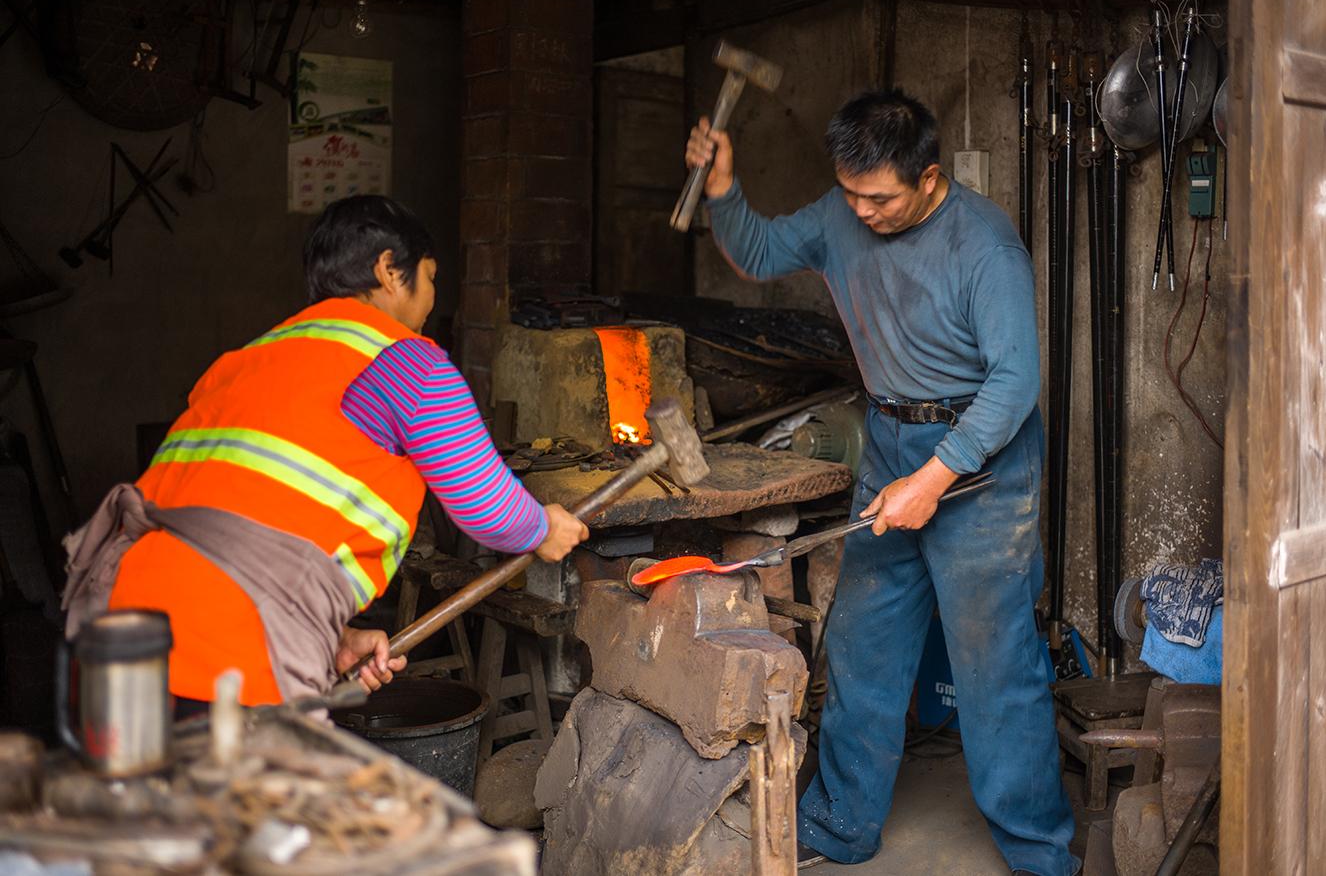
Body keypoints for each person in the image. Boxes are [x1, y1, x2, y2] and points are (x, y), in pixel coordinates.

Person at [685, 89, 1077, 875]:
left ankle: (1040, 852)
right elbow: (760, 254)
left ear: (929, 178)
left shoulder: (985, 246)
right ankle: (840, 823)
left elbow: (1015, 383)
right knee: (865, 646)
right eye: (851, 192)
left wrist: (936, 477)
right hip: (892, 440)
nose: (861, 211)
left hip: (982, 462)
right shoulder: (840, 213)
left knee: (994, 666)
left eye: (881, 197)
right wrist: (723, 187)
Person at [63, 195, 588, 713]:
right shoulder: (405, 360)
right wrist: (543, 530)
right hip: (229, 656)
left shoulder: (250, 356)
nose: (431, 300)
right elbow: (484, 504)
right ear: (388, 270)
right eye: (430, 278)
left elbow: (238, 520)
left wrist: (333, 638)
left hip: (115, 631)